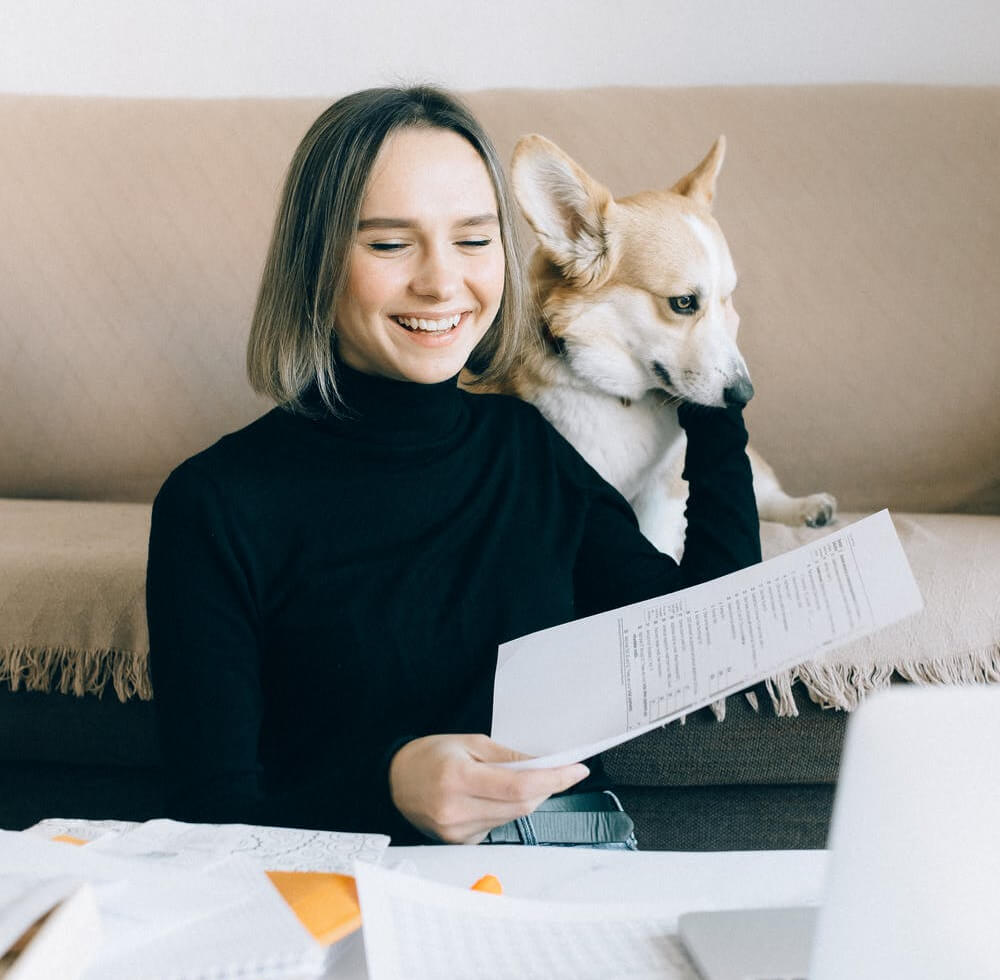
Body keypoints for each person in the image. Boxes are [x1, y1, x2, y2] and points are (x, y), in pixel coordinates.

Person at [146, 86, 761, 847]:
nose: (442, 283)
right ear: (315, 262)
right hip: (348, 869)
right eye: (389, 244)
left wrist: (715, 390)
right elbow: (206, 815)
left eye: (473, 240)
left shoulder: (529, 448)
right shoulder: (214, 502)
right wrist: (390, 788)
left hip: (570, 853)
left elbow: (708, 640)